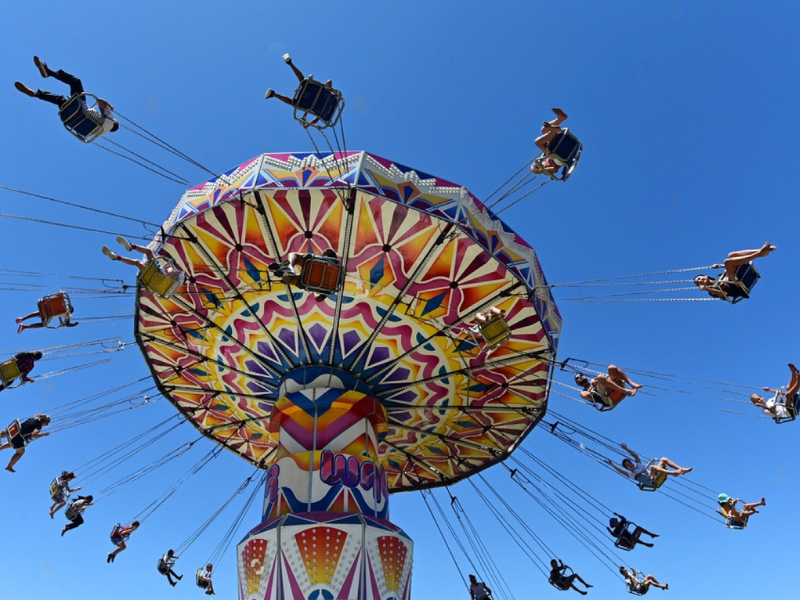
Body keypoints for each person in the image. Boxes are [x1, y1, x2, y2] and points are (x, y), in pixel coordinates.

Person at [15, 56, 119, 138]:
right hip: (69, 117)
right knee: (61, 100)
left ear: (114, 122)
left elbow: (100, 101)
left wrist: (108, 106)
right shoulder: (98, 133)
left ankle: (49, 72)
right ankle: (36, 94)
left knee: (76, 82)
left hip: (80, 109)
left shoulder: (110, 120)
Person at [265, 54, 334, 127]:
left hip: (309, 98)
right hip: (310, 98)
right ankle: (273, 94)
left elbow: (329, 82)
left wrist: (325, 88)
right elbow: (317, 119)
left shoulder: (328, 98)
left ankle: (290, 63)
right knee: (294, 101)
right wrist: (308, 125)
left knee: (302, 81)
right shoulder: (327, 103)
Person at [694, 242, 776, 300]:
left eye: (700, 278)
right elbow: (724, 294)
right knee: (727, 262)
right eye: (698, 282)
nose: (700, 280)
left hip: (736, 276)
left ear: (705, 276)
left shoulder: (718, 277)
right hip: (736, 285)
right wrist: (706, 289)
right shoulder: (711, 291)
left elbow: (728, 269)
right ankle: (759, 254)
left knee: (731, 255)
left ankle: (762, 251)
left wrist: (719, 266)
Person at [269, 249, 339, 301]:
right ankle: (285, 273)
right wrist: (316, 291)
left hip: (315, 265)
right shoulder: (332, 288)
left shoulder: (335, 262)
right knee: (288, 280)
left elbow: (328, 251)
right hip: (312, 282)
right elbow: (319, 299)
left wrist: (321, 255)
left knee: (293, 255)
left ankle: (290, 267)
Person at [606, 443, 692, 484]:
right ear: (627, 468)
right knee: (653, 467)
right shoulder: (632, 475)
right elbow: (621, 471)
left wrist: (626, 449)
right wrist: (612, 465)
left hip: (654, 474)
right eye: (628, 465)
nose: (630, 465)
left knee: (663, 459)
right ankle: (673, 473)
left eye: (630, 463)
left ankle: (681, 469)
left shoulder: (638, 466)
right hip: (650, 480)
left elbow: (635, 456)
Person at [574, 365, 643, 410]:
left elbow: (600, 378)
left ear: (585, 377)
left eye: (581, 375)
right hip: (605, 396)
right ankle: (626, 391)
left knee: (611, 368)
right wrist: (594, 384)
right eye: (577, 378)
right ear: (577, 384)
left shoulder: (594, 380)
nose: (579, 377)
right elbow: (587, 395)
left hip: (608, 385)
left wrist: (595, 380)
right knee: (600, 377)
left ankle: (632, 384)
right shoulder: (583, 392)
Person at [531, 108, 569, 176]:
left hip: (555, 151)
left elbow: (544, 152)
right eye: (538, 166)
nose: (539, 165)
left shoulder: (545, 159)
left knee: (544, 130)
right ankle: (554, 130)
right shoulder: (545, 171)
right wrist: (540, 170)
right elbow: (553, 169)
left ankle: (561, 119)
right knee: (537, 142)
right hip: (557, 159)